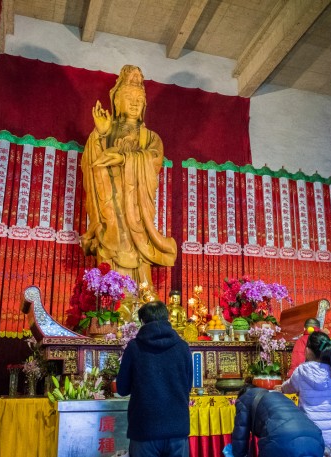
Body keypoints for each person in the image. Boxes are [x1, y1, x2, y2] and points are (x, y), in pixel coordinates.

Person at [80, 65, 177, 285]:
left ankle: (144, 292)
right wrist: (100, 133)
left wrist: (125, 159)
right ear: (116, 101)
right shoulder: (106, 131)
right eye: (129, 97)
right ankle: (110, 297)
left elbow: (154, 159)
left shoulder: (150, 137)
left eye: (139, 98)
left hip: (137, 206)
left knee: (138, 240)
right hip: (111, 203)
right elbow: (91, 163)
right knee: (111, 235)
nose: (134, 103)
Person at [117, 301, 193, 457]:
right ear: (167, 318)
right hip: (177, 428)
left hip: (145, 428)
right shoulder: (183, 347)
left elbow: (122, 389)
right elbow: (187, 385)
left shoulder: (134, 347)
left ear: (142, 321)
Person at [280, 331, 331, 457]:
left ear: (309, 351)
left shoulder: (302, 370)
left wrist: (282, 388)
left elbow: (289, 387)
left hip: (312, 432)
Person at [230, 384, 325, 457]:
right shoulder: (277, 396)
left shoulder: (244, 399)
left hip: (281, 438)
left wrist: (238, 454)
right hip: (316, 438)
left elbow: (240, 435)